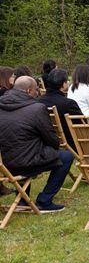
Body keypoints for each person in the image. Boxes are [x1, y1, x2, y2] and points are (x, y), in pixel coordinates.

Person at [0, 76, 72, 212]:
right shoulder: (36, 109)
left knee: (23, 149)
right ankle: (44, 200)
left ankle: (22, 199)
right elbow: (52, 140)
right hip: (26, 163)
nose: (37, 93)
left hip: (3, 164)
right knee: (66, 156)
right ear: (28, 91)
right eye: (36, 90)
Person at [38, 68, 83, 153]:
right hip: (71, 143)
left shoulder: (37, 102)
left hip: (47, 142)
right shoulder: (68, 104)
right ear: (63, 84)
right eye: (67, 81)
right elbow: (81, 124)